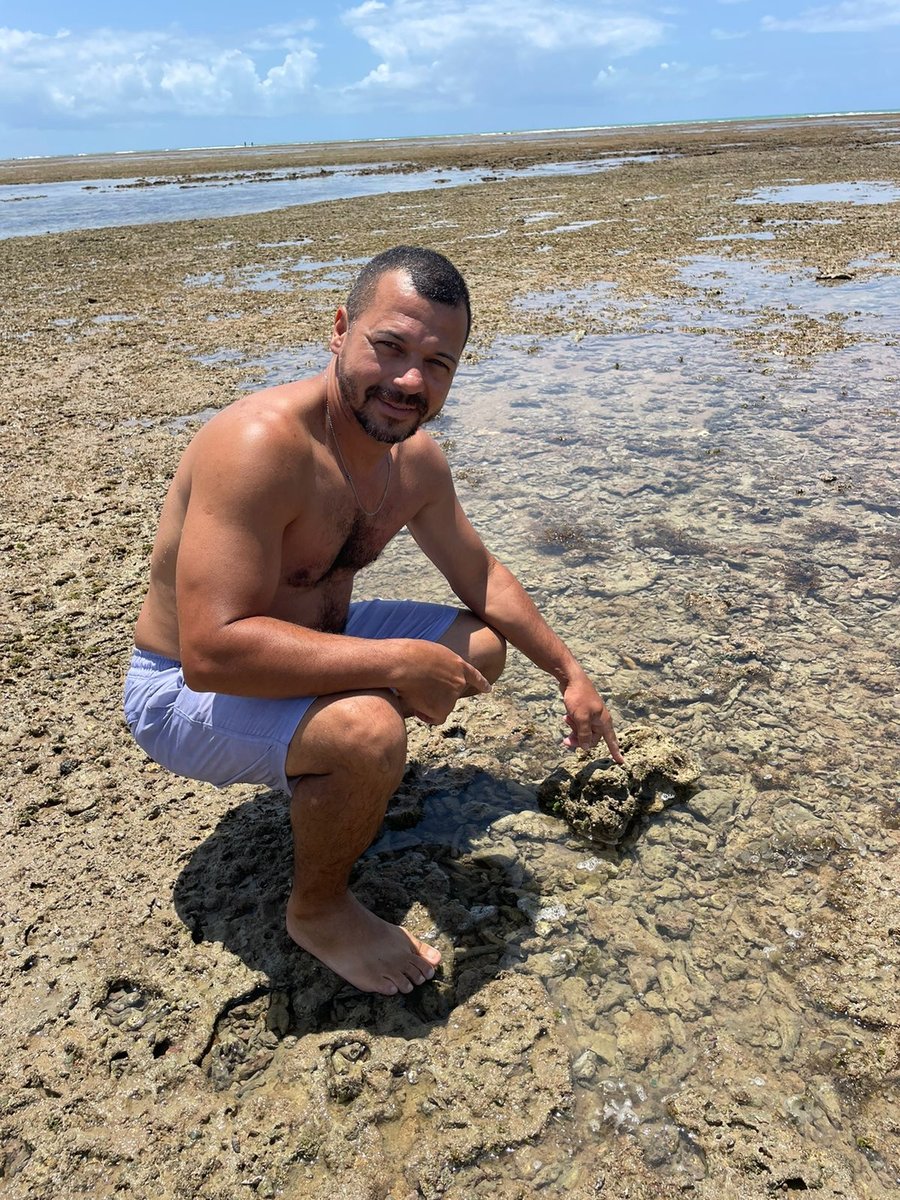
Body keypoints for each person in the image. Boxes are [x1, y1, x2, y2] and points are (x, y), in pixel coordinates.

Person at [124, 245, 623, 997]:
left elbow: (480, 574)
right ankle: (319, 906)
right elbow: (211, 653)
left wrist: (570, 673)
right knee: (370, 728)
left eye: (438, 362)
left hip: (308, 646)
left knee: (479, 646)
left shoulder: (414, 463)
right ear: (339, 331)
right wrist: (391, 666)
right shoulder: (259, 446)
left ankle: (335, 771)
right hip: (180, 693)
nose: (410, 381)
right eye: (389, 347)